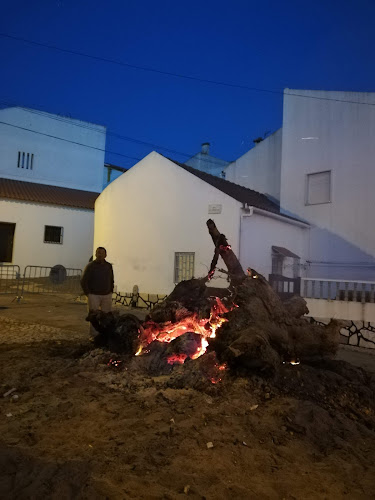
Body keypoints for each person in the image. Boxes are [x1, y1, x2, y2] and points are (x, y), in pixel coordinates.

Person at [81, 247, 114, 336]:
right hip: (94, 295)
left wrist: (111, 290)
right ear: (95, 254)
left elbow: (111, 278)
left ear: (105, 255)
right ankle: (93, 335)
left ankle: (105, 335)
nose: (100, 255)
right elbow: (84, 280)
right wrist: (88, 293)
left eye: (102, 253)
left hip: (106, 295)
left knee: (107, 317)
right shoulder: (90, 266)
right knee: (94, 317)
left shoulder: (108, 266)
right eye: (98, 253)